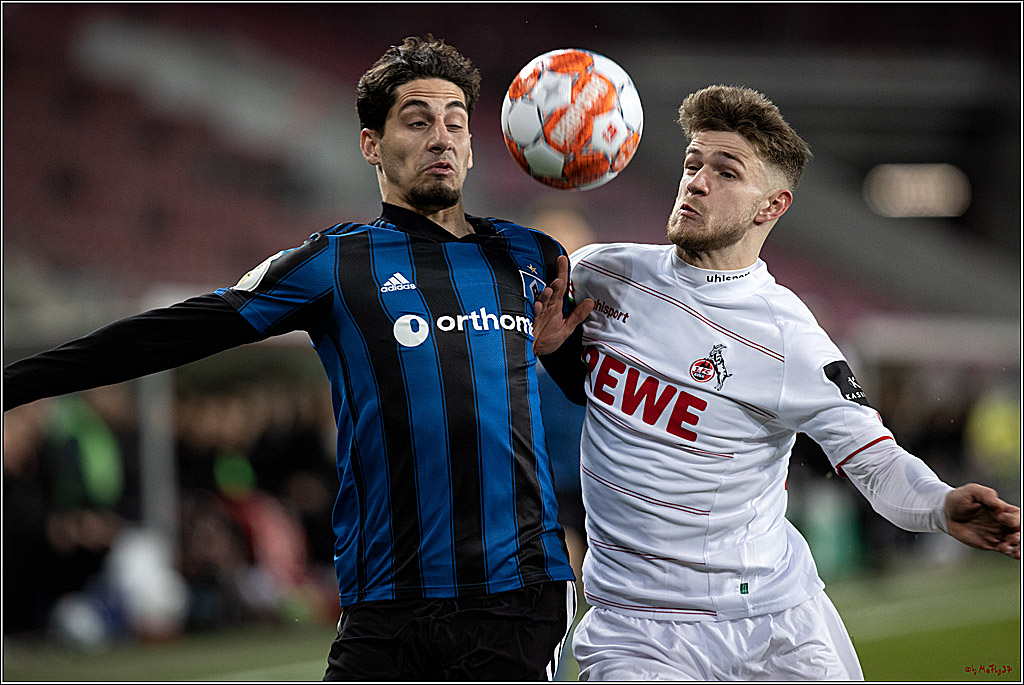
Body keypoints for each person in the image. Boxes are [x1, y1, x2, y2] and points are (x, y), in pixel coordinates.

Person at [3, 35, 594, 681]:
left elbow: (593, 391)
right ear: (371, 144)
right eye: (418, 121)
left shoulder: (530, 257)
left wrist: (559, 357)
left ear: (474, 144)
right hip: (387, 592)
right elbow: (175, 331)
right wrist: (16, 382)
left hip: (517, 589)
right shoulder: (333, 263)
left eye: (456, 122)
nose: (442, 138)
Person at [533, 84, 1021, 681]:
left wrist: (939, 505)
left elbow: (873, 458)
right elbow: (587, 389)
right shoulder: (602, 275)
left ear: (771, 206)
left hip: (775, 623)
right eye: (692, 164)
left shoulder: (791, 340)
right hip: (634, 626)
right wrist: (554, 354)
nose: (697, 181)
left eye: (725, 171)